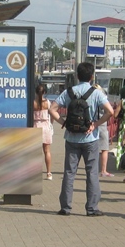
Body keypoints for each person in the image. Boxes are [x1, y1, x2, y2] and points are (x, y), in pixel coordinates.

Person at [49, 62, 114, 217]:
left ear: (77, 76)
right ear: (92, 77)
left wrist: (63, 122)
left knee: (69, 173)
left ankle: (65, 207)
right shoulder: (97, 93)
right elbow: (110, 111)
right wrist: (96, 124)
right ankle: (91, 208)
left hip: (71, 138)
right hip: (90, 138)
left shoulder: (68, 92)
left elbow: (52, 109)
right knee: (91, 172)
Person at [33, 84, 53, 180]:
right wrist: (51, 123)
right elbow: (52, 114)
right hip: (46, 126)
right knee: (47, 151)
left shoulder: (33, 103)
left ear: (36, 92)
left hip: (36, 125)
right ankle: (48, 173)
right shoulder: (48, 103)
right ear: (44, 92)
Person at [95, 84, 112, 177]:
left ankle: (92, 169)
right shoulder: (103, 99)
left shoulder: (90, 99)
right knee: (104, 149)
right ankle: (103, 170)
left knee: (93, 148)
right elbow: (109, 112)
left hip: (92, 124)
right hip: (102, 123)